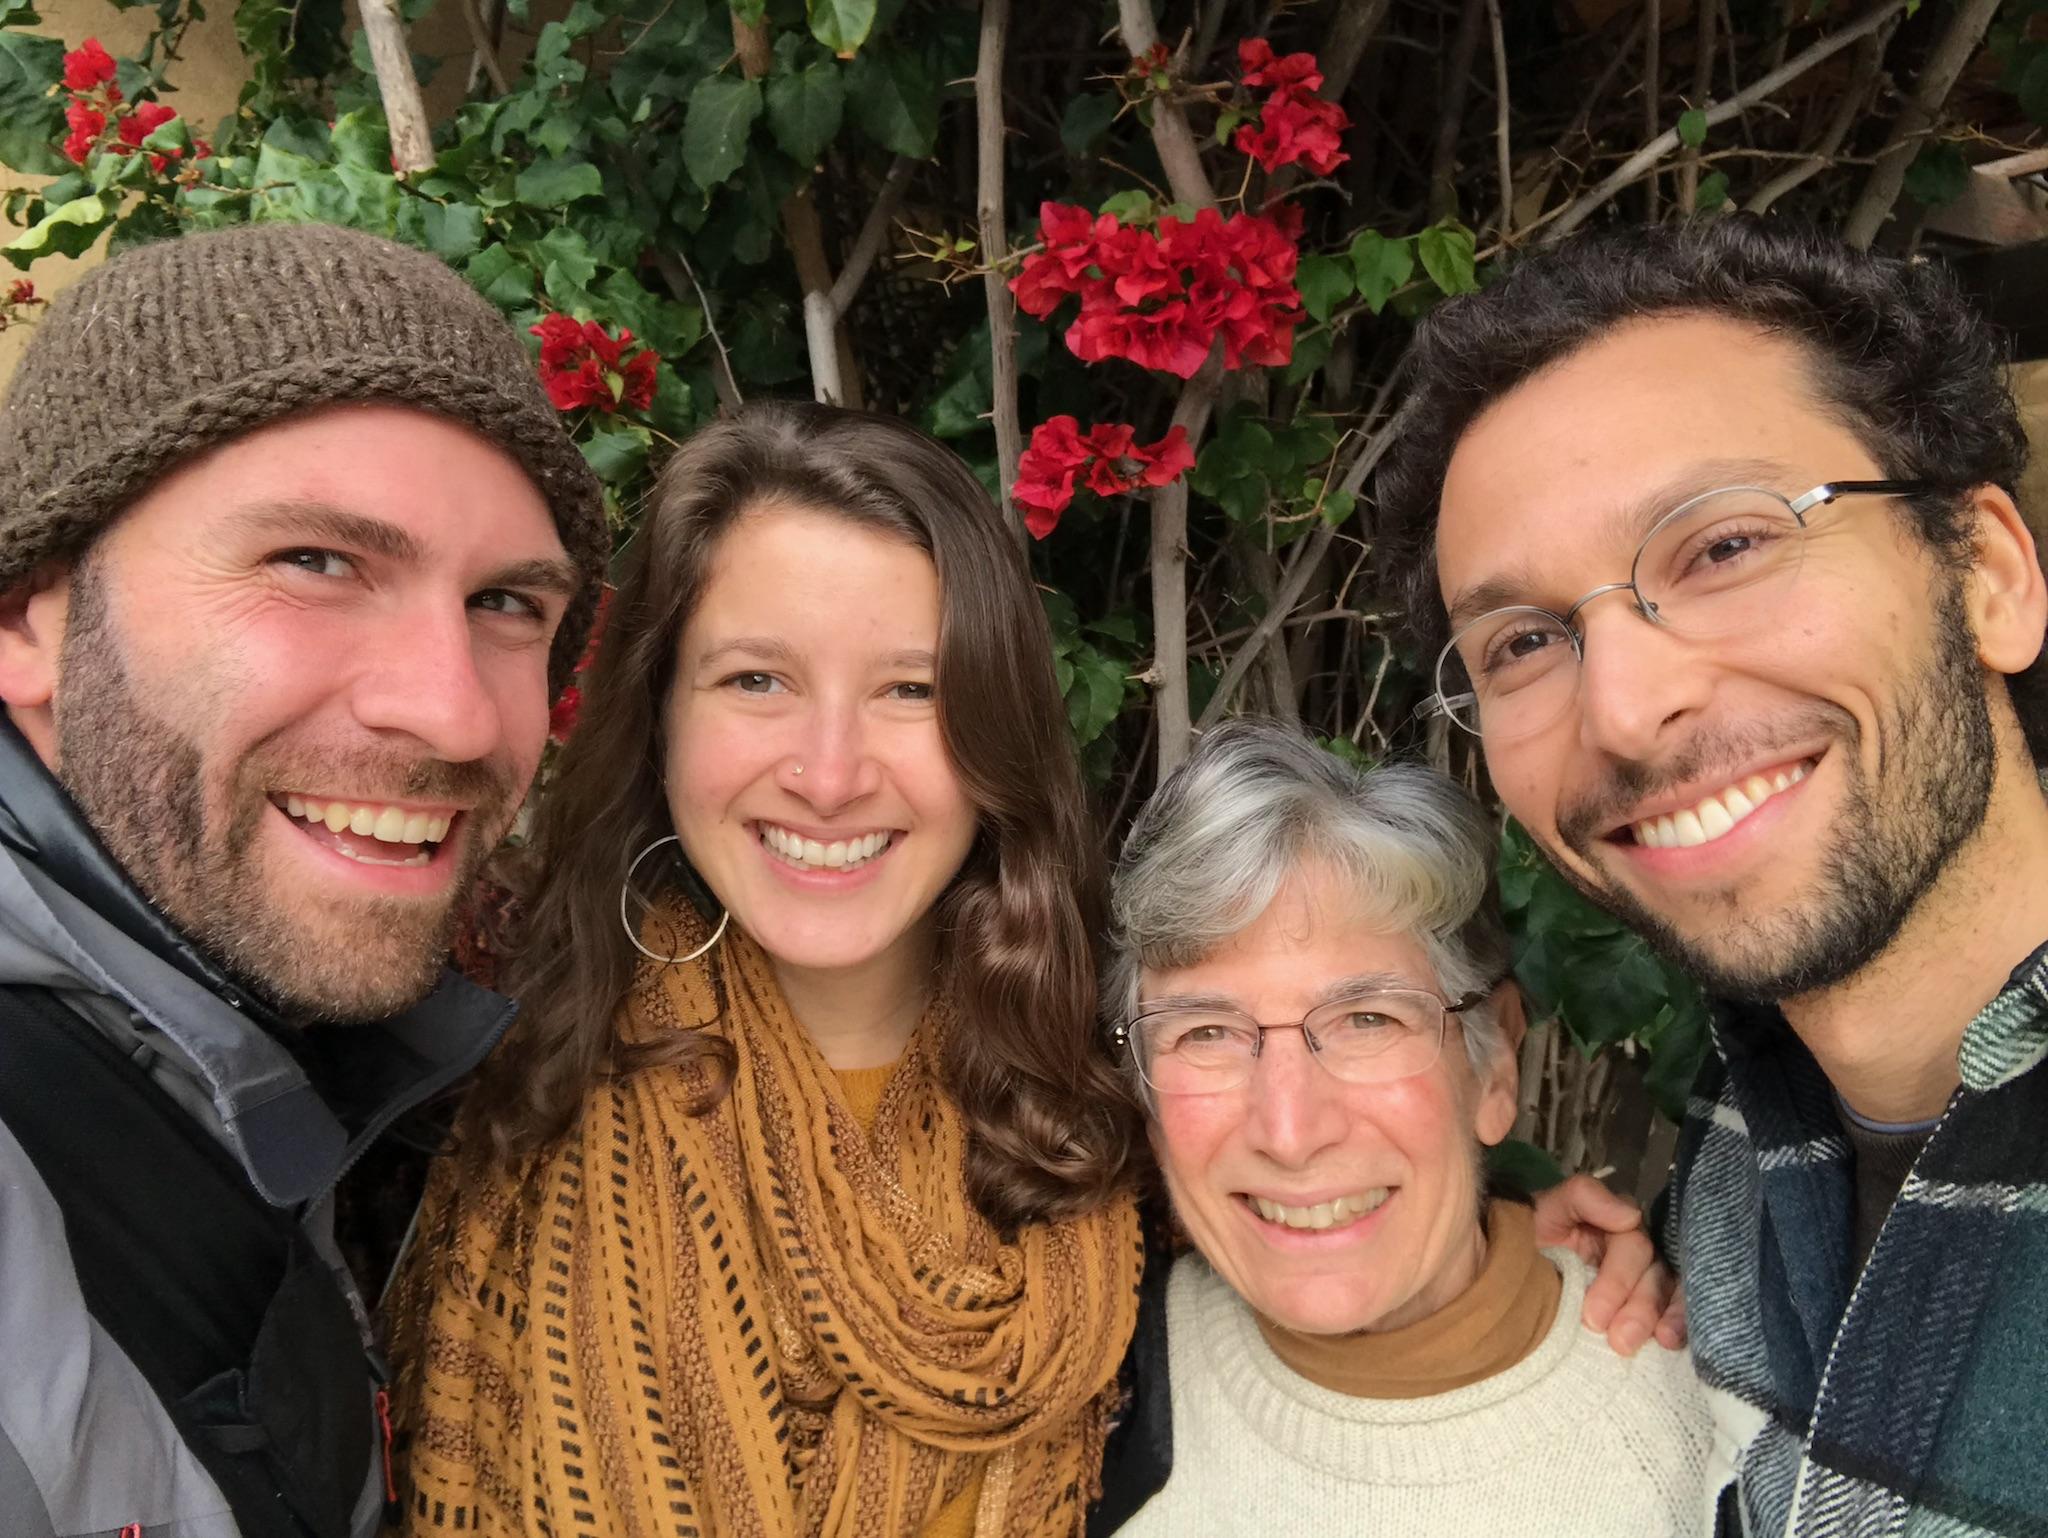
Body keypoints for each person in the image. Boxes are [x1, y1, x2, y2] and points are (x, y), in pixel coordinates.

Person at [388, 403, 1670, 1538]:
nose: (828, 772)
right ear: (658, 713)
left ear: (992, 728)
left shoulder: (1104, 1094)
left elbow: (1337, 1171)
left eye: (909, 687)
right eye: (757, 678)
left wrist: (1531, 1242)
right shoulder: (487, 1071)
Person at [1378, 217, 2048, 1536]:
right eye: (1523, 641)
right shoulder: (1737, 1157)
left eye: (1725, 546)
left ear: (1990, 577)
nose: (1625, 708)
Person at [0, 224, 608, 1538]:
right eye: (315, 563)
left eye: (508, 602)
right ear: (29, 618)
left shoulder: (245, 1044)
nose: (453, 715)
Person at [1092, 720, 1709, 1536]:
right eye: (1205, 1033)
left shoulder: (1709, 1450)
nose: (1289, 1129)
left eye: (1368, 1021)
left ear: (1493, 1068)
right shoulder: (1080, 1387)